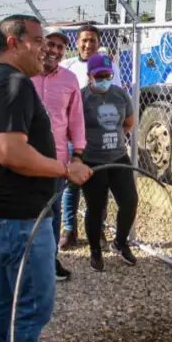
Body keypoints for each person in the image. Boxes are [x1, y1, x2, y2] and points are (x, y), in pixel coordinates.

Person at [0, 15, 92, 342]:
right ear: (14, 43)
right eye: (38, 40)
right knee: (33, 307)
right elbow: (10, 152)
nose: (45, 48)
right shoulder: (13, 84)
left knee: (6, 299)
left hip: (7, 212)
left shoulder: (1, 79)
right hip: (20, 220)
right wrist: (64, 169)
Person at [59, 25, 122, 250]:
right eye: (84, 40)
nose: (88, 45)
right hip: (71, 137)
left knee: (99, 185)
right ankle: (69, 229)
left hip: (98, 138)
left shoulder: (110, 66)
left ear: (98, 43)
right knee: (71, 184)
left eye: (92, 40)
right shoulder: (66, 67)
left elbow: (116, 98)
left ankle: (98, 230)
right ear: (76, 43)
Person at [30, 27, 86, 281]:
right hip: (26, 158)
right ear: (41, 44)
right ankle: (26, 264)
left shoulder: (69, 79)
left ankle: (50, 261)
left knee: (52, 214)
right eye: (50, 44)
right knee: (27, 213)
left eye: (60, 47)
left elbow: (75, 118)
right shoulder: (24, 75)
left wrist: (78, 152)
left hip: (58, 159)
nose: (54, 51)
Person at [80, 53, 138, 272]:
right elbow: (74, 128)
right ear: (90, 76)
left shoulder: (120, 94)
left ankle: (120, 242)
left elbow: (128, 122)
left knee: (130, 201)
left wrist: (113, 139)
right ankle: (95, 249)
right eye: (99, 75)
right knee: (95, 207)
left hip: (118, 158)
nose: (104, 79)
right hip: (92, 160)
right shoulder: (82, 97)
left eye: (108, 75)